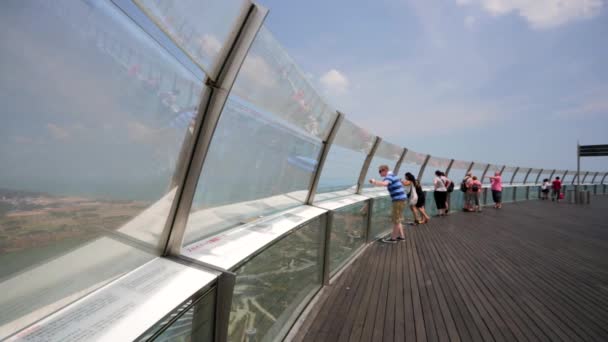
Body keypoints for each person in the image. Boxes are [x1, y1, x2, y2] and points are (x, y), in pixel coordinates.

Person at [369, 165, 406, 243]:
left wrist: (374, 181)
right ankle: (402, 237)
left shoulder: (389, 177)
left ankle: (393, 239)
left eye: (380, 171)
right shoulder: (393, 175)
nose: (379, 173)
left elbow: (385, 184)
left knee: (396, 220)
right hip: (401, 199)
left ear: (384, 170)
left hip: (398, 200)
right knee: (398, 219)